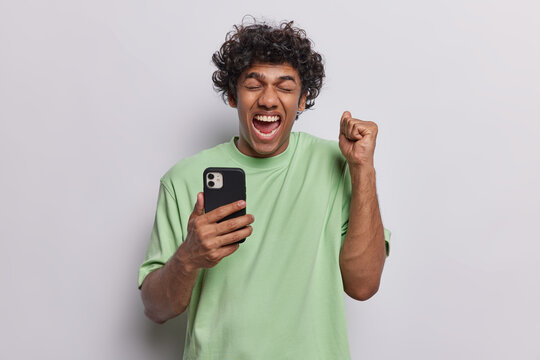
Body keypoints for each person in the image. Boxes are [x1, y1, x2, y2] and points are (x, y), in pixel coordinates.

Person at [138, 18, 391, 359]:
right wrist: (189, 257)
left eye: (285, 88)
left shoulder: (339, 163)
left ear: (303, 100)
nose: (269, 100)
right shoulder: (183, 179)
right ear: (232, 95)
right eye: (253, 85)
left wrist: (363, 169)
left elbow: (362, 286)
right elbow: (155, 309)